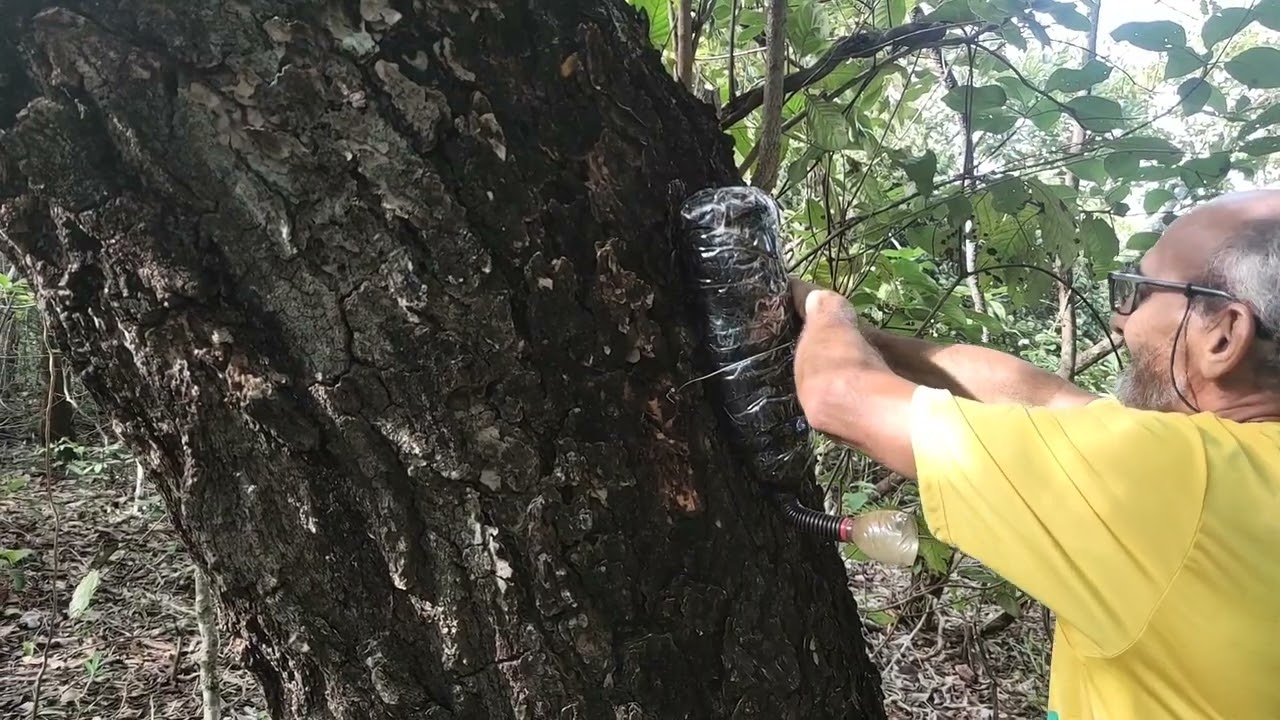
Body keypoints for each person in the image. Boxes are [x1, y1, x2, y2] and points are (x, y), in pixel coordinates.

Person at [788, 189, 1280, 720]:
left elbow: (840, 398)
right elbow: (1049, 398)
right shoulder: (1241, 469)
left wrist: (827, 311)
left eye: (1136, 292)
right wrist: (864, 338)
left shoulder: (1176, 482)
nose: (1119, 321)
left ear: (1223, 337)